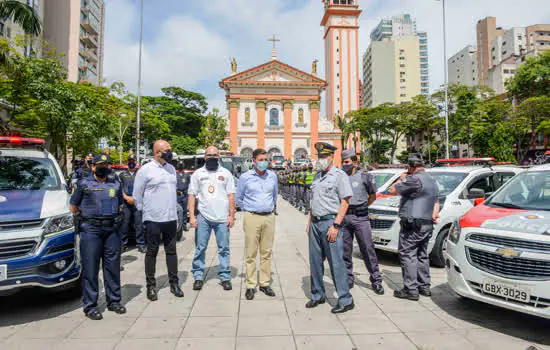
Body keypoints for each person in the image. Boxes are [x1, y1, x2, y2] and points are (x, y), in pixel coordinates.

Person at [69, 153, 126, 320]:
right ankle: (90, 306)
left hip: (112, 230)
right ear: (92, 166)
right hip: (91, 230)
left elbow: (120, 203)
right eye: (100, 165)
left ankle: (114, 301)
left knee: (112, 267)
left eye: (106, 165)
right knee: (91, 269)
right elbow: (73, 206)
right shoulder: (84, 183)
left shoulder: (115, 183)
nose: (104, 168)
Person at [306, 142, 354, 314]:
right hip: (315, 223)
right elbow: (314, 201)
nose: (321, 159)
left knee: (336, 262)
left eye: (324, 156)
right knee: (315, 262)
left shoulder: (339, 175)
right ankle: (317, 294)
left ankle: (345, 299)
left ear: (332, 157)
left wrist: (336, 225)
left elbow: (345, 202)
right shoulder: (317, 176)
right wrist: (309, 223)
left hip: (330, 223)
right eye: (319, 156)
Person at [133, 140, 184, 301]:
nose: (170, 152)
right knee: (152, 252)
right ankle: (151, 286)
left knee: (171, 251)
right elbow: (137, 195)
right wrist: (145, 212)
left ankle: (174, 283)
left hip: (170, 217)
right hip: (153, 218)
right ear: (157, 152)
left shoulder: (171, 169)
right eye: (167, 150)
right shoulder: (146, 170)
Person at [389, 153, 440, 301]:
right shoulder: (432, 180)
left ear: (410, 167)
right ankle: (424, 286)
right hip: (426, 224)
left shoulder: (413, 180)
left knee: (408, 255)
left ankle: (411, 289)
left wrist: (402, 178)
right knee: (422, 255)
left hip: (412, 225)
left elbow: (392, 190)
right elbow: (436, 201)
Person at [188, 146, 236, 291]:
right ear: (204, 157)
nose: (212, 157)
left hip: (222, 219)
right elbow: (191, 195)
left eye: (215, 155)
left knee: (224, 249)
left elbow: (231, 195)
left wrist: (231, 215)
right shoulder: (197, 174)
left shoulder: (226, 173)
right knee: (200, 248)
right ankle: (198, 275)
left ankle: (225, 276)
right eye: (209, 155)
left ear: (219, 157)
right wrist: (191, 216)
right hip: (203, 217)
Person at [236, 148, 278, 300]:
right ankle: (250, 285)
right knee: (251, 253)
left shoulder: (272, 176)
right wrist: (248, 210)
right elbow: (239, 198)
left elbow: (274, 196)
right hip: (252, 217)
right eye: (260, 160)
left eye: (265, 159)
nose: (263, 162)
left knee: (266, 252)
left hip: (268, 217)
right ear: (253, 161)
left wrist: (269, 209)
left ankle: (265, 283)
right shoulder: (245, 177)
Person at [341, 149, 384, 294]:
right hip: (345, 217)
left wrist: (364, 206)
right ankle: (348, 277)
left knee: (367, 248)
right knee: (345, 250)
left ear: (355, 162)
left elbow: (372, 196)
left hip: (361, 217)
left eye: (346, 162)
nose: (344, 165)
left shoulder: (365, 177)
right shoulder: (341, 177)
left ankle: (376, 280)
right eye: (343, 162)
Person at [118, 155, 145, 253]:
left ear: (136, 162)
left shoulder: (141, 174)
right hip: (126, 202)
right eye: (129, 161)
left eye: (133, 160)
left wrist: (135, 199)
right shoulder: (122, 175)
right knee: (124, 224)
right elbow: (119, 188)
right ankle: (123, 245)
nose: (131, 162)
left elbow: (144, 188)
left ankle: (141, 244)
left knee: (139, 225)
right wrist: (126, 197)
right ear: (127, 162)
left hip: (137, 202)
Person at [176, 161, 190, 232]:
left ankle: (184, 224)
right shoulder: (175, 175)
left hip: (184, 195)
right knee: (178, 211)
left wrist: (187, 191)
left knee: (184, 210)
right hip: (177, 195)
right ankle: (179, 225)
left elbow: (190, 185)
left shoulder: (187, 175)